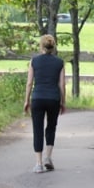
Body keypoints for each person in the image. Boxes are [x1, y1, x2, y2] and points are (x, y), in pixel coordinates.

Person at [24, 34, 66, 173]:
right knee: (51, 127)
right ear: (53, 47)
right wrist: (63, 101)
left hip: (37, 98)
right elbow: (62, 84)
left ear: (41, 46)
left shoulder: (34, 61)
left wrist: (26, 100)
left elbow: (30, 83)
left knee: (38, 129)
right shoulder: (59, 62)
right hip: (53, 98)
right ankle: (48, 157)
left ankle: (38, 164)